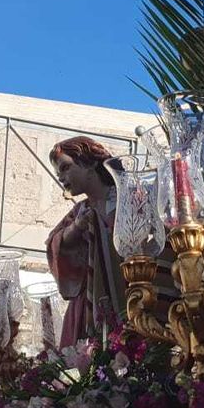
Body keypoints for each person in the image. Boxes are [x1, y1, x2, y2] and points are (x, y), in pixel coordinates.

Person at [46, 137, 126, 347]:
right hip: (88, 304)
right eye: (58, 174)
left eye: (65, 168)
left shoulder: (125, 201)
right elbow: (54, 245)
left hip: (126, 294)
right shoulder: (79, 212)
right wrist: (76, 228)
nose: (61, 178)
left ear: (89, 163)